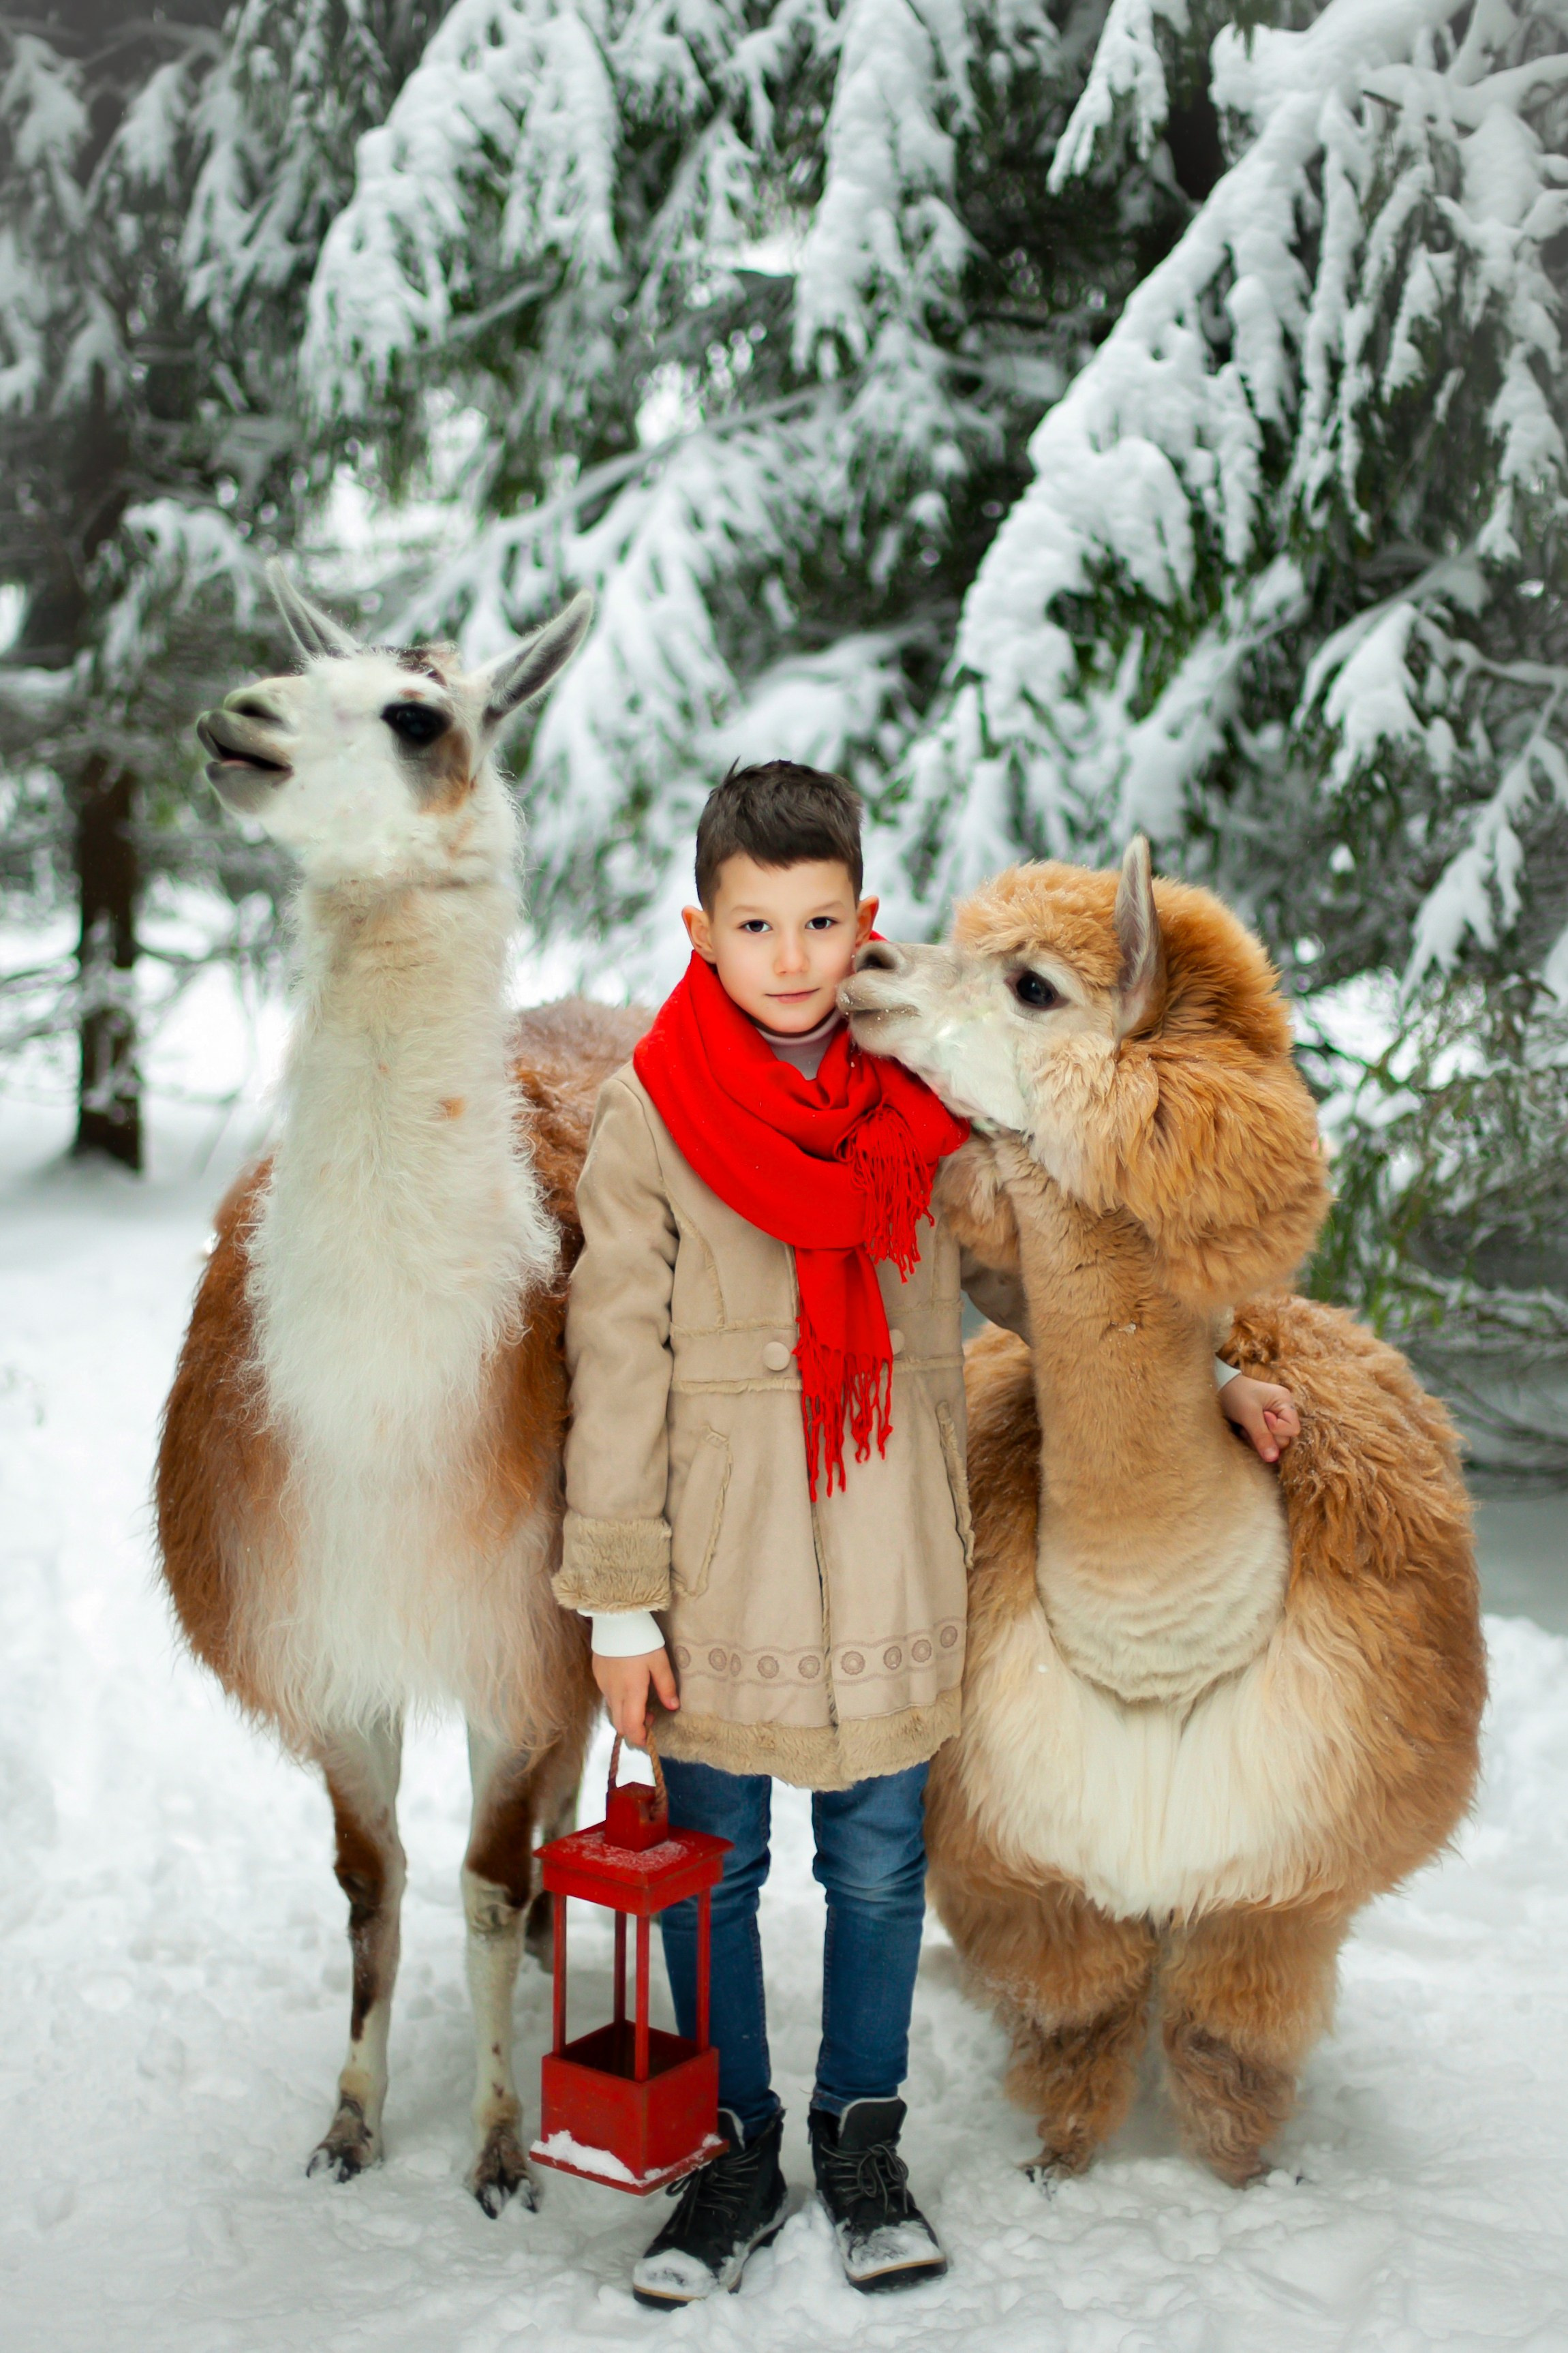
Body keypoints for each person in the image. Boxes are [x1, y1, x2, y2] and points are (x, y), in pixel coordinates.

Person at [555, 763, 1300, 2307]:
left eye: (820, 919)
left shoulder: (920, 1107)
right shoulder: (654, 1111)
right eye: (755, 923)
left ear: (861, 919)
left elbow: (1050, 1288)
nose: (793, 955)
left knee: (881, 1866)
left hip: (893, 1553)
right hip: (719, 1573)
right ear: (702, 928)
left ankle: (859, 2136)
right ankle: (734, 2150)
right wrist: (620, 1603)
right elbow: (613, 1356)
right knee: (718, 1866)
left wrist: (1208, 1378)